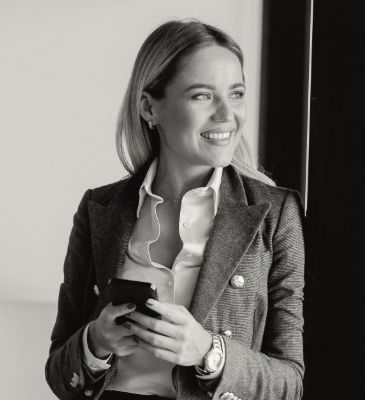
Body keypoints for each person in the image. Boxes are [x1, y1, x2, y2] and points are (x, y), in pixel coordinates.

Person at [43, 19, 305, 400]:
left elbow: (291, 383)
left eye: (236, 94)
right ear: (150, 107)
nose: (226, 115)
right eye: (202, 96)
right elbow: (58, 374)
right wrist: (96, 341)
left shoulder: (276, 214)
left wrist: (207, 352)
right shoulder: (98, 209)